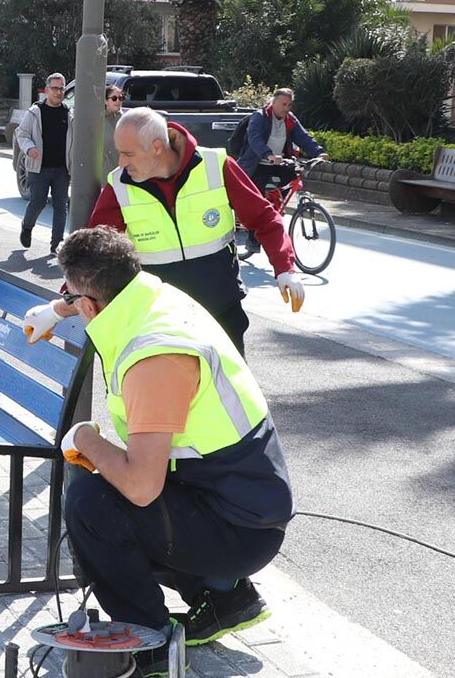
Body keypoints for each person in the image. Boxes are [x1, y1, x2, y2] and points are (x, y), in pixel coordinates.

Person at [27, 227, 294, 676]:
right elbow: (95, 298)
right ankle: (225, 598)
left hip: (240, 527)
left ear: (90, 305)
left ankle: (147, 642)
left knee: (92, 504)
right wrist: (57, 309)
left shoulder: (153, 356)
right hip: (238, 495)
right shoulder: (150, 297)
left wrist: (85, 439)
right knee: (110, 490)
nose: (71, 304)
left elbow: (141, 487)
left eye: (71, 297)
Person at [79, 108, 305, 356]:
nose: (121, 162)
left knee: (228, 381)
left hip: (220, 310)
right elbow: (95, 252)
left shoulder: (215, 165)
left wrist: (285, 268)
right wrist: (65, 302)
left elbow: (264, 218)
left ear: (157, 147)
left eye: (128, 154)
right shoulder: (119, 185)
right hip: (157, 318)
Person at [236, 88, 330, 252]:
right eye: (283, 104)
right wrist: (268, 155)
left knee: (292, 176)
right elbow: (254, 138)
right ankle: (252, 239)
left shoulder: (289, 119)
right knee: (257, 200)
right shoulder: (260, 117)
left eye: (289, 105)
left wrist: (318, 152)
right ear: (273, 103)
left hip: (279, 162)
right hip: (257, 163)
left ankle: (276, 207)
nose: (286, 108)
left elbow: (303, 137)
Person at [15, 72, 72, 254]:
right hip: (39, 168)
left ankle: (57, 245)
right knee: (38, 203)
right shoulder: (35, 112)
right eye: (55, 88)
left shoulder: (69, 114)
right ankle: (27, 226)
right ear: (47, 90)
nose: (59, 92)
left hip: (62, 169)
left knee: (61, 206)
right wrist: (30, 148)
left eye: (62, 88)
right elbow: (21, 134)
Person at [102, 84, 126, 179]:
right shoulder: (97, 120)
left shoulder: (124, 119)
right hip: (103, 174)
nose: (118, 101)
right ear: (105, 101)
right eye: (114, 98)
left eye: (121, 98)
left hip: (120, 171)